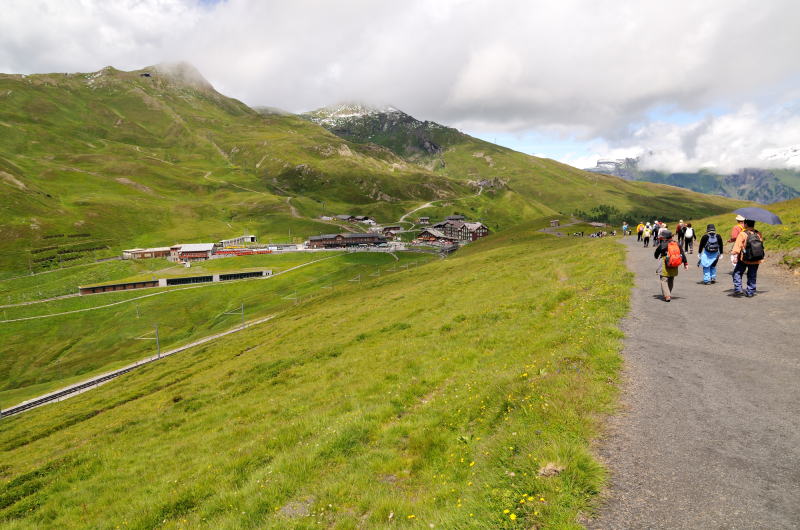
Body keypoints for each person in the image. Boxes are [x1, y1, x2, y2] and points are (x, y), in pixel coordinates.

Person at [731, 219, 765, 297]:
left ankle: (738, 289)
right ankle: (750, 291)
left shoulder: (742, 234)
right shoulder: (758, 233)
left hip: (744, 258)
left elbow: (737, 246)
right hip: (756, 258)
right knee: (752, 274)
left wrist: (734, 255)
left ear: (745, 224)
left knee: (737, 273)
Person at [653, 229, 688, 302]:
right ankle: (668, 293)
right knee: (671, 278)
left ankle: (667, 295)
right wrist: (685, 263)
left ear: (665, 237)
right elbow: (682, 253)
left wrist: (656, 256)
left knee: (664, 279)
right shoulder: (677, 244)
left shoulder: (663, 244)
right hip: (674, 263)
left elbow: (656, 253)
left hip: (665, 263)